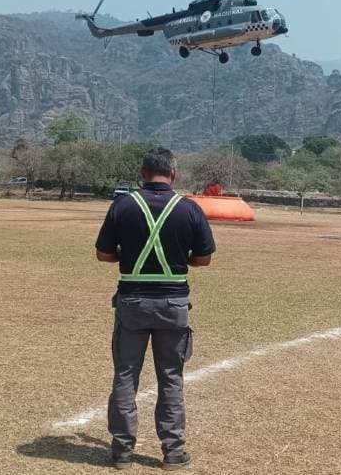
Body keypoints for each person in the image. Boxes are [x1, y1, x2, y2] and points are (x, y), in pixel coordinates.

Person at [95, 148, 216, 470]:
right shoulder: (189, 209)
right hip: (173, 304)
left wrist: (129, 256)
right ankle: (172, 452)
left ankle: (122, 451)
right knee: (171, 378)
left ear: (142, 172)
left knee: (125, 376)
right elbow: (203, 259)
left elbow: (104, 255)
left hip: (132, 301)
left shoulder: (123, 205)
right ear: (173, 174)